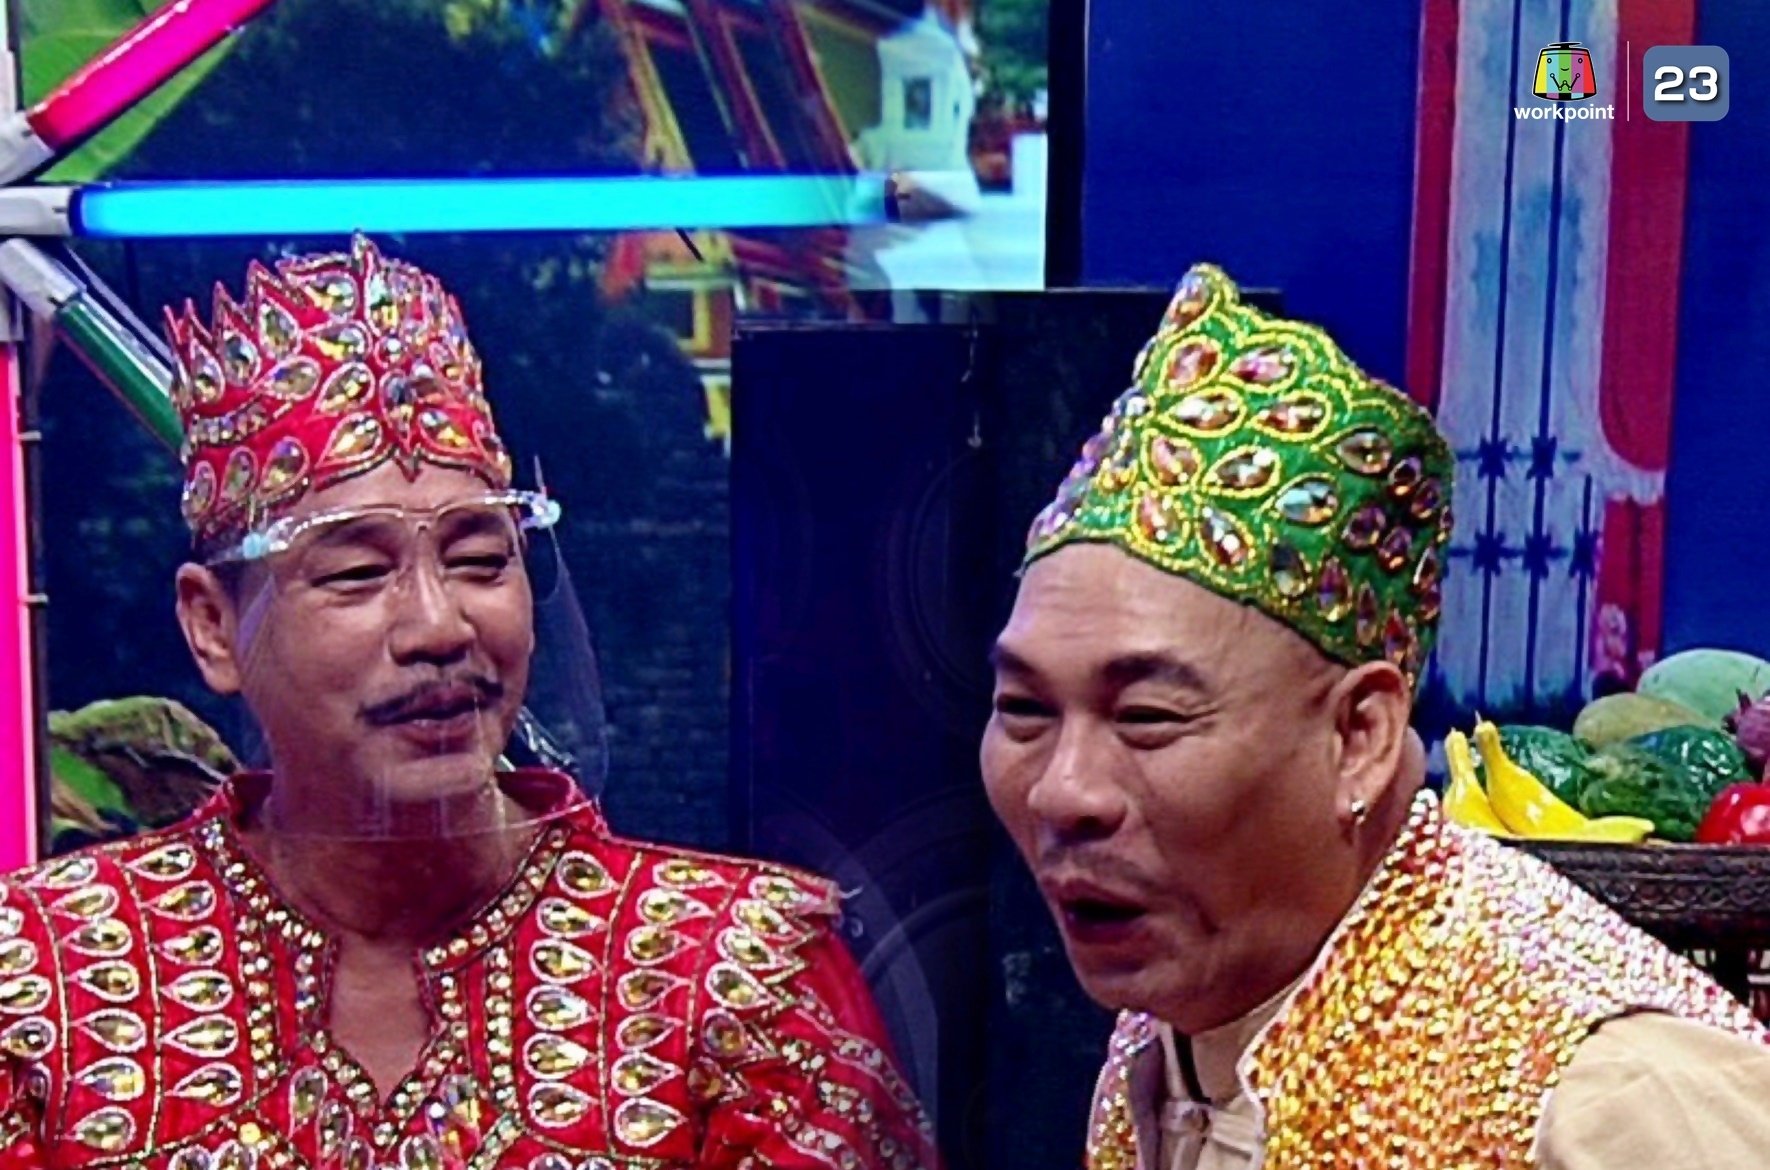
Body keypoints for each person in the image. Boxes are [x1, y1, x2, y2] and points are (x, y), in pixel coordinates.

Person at [0, 236, 937, 1170]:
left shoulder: (738, 982)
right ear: (212, 626)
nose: (439, 626)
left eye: (481, 560)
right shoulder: (39, 982)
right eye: (357, 573)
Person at [980, 263, 1770, 1170]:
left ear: (1358, 737)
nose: (1064, 792)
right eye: (1025, 710)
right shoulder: (1170, 1034)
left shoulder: (1611, 1097)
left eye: (1149, 717)